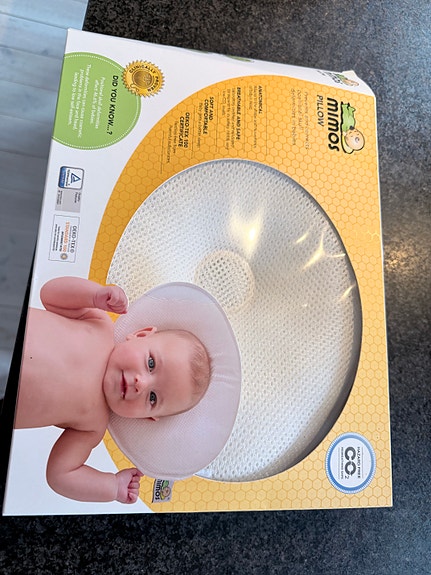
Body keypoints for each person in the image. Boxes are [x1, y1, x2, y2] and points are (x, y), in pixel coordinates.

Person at [14, 276, 211, 504]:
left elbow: (60, 475)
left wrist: (112, 487)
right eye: (150, 364)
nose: (141, 384)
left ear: (146, 417)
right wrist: (95, 295)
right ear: (140, 335)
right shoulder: (99, 324)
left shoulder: (92, 426)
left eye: (153, 397)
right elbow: (50, 294)